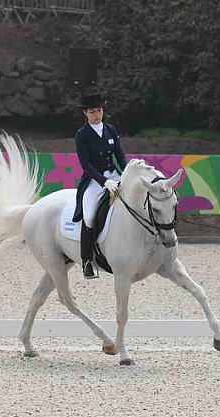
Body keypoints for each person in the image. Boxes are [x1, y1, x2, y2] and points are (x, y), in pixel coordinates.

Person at [72, 93, 127, 279]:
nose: (97, 114)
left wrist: (125, 174)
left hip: (115, 175)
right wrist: (104, 182)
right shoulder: (82, 135)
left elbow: (119, 155)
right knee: (88, 217)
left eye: (99, 110)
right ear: (85, 113)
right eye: (92, 111)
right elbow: (86, 165)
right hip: (94, 180)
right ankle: (87, 261)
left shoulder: (111, 129)